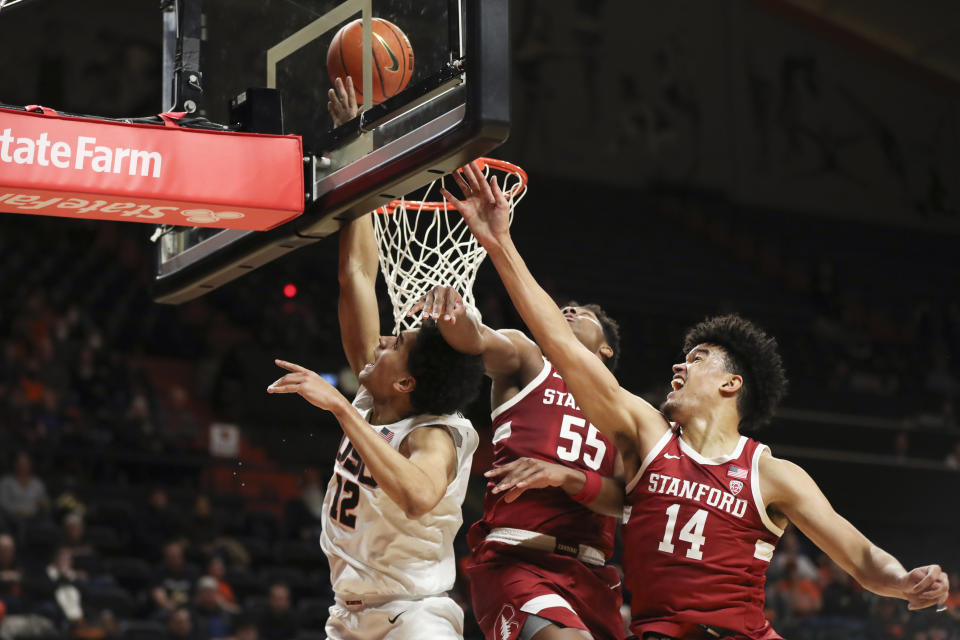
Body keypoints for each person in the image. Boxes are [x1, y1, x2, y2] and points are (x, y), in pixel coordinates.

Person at [446, 160, 950, 639]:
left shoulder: (772, 473)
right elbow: (561, 346)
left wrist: (905, 581)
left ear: (732, 384)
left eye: (699, 357)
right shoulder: (646, 436)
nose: (678, 366)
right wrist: (500, 243)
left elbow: (861, 558)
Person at [267, 88, 485, 637]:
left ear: (408, 380)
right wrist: (358, 151)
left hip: (415, 617)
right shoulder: (377, 391)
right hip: (349, 615)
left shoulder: (437, 433)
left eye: (394, 345)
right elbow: (357, 276)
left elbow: (417, 495)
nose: (384, 340)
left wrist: (341, 408)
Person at [410, 284, 626, 640]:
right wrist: (456, 314)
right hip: (517, 560)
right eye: (565, 309)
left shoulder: (624, 410)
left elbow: (622, 500)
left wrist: (566, 477)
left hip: (592, 576)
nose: (568, 311)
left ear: (606, 349)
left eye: (583, 313)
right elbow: (475, 340)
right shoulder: (530, 361)